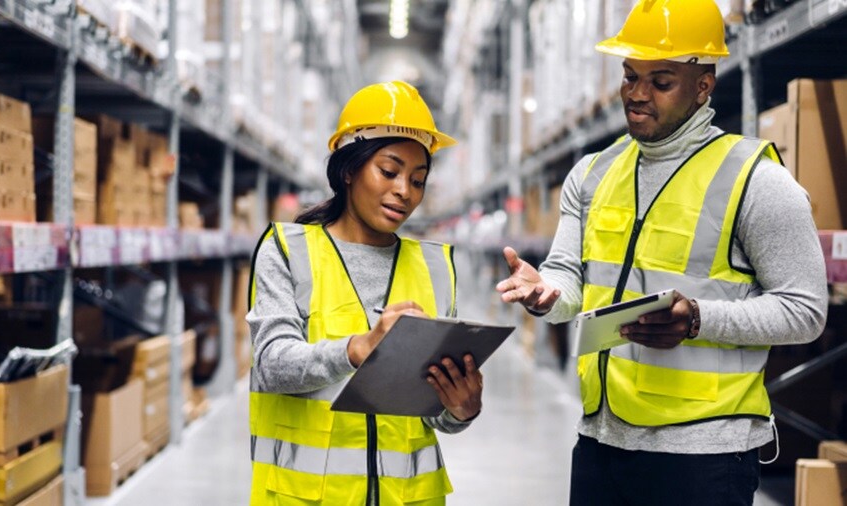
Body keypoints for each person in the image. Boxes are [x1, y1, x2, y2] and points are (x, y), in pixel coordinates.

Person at [496, 1, 828, 504]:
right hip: (600, 440)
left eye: (661, 81)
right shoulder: (592, 174)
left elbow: (805, 311)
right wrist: (545, 293)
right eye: (630, 76)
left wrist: (698, 319)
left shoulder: (756, 180)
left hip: (704, 457)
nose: (636, 94)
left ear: (703, 85)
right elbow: (568, 276)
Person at [246, 81, 483, 505]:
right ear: (349, 168)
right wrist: (358, 348)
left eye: (418, 179)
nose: (404, 192)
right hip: (308, 497)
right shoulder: (289, 250)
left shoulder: (435, 267)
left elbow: (433, 413)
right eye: (389, 172)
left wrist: (460, 410)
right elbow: (271, 364)